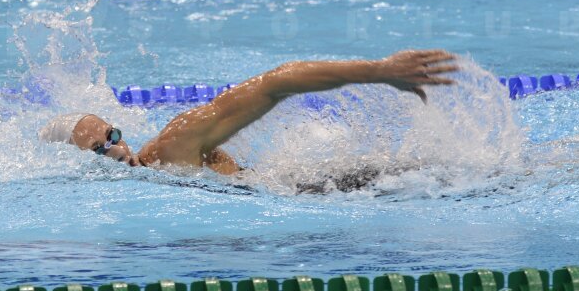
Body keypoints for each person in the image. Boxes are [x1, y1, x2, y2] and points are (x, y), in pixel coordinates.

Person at [39, 50, 459, 175]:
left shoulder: (172, 146)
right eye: (98, 150)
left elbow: (276, 82)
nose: (114, 151)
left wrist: (377, 72)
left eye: (113, 137)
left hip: (324, 191)